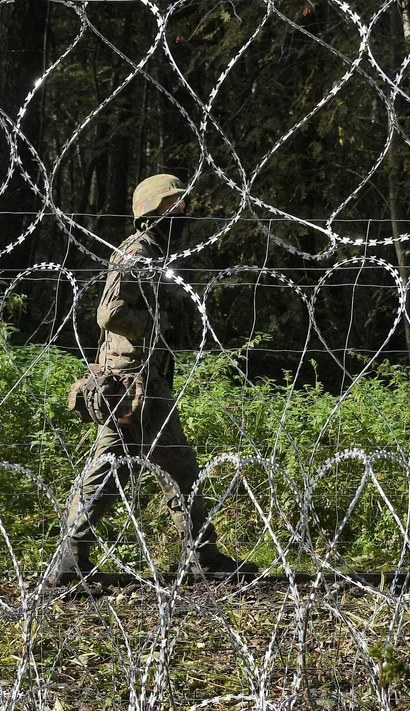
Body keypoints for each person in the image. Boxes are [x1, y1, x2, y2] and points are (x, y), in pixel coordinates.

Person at [45, 174, 257, 585]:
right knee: (132, 469)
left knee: (145, 467)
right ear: (152, 211)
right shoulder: (138, 252)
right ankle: (199, 558)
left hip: (144, 379)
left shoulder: (159, 252)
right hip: (132, 383)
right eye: (174, 205)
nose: (183, 212)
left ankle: (197, 555)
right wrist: (157, 323)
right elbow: (109, 315)